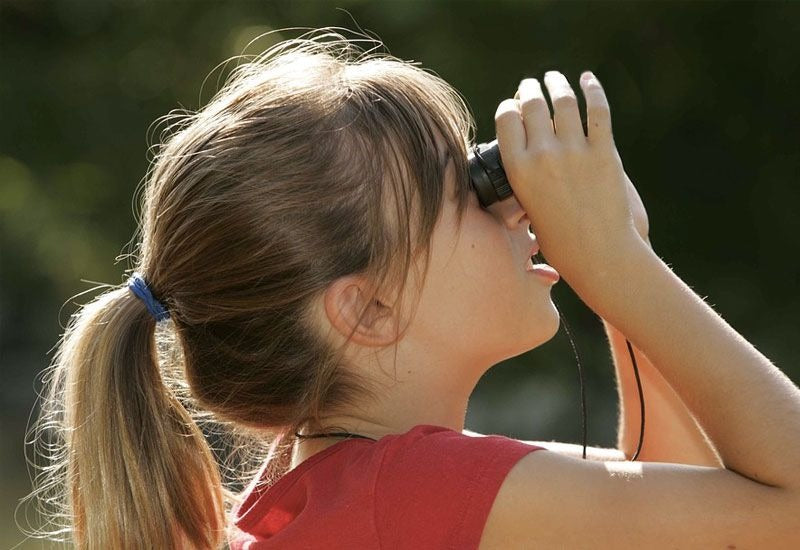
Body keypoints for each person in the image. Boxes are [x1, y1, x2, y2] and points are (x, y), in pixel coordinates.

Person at [26, 27, 800, 549]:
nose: (512, 203)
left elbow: (687, 512)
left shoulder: (346, 489)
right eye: (464, 190)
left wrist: (623, 256)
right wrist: (620, 269)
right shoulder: (407, 492)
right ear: (367, 309)